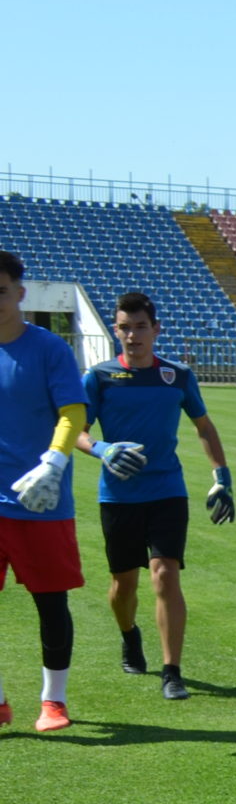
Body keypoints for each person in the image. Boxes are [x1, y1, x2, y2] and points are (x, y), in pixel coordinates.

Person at [79, 291, 235, 700]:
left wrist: (222, 477)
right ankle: (129, 634)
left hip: (167, 491)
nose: (133, 336)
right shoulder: (99, 377)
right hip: (118, 496)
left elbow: (204, 426)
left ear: (156, 330)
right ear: (116, 331)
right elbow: (77, 430)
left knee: (165, 575)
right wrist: (103, 449)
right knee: (123, 585)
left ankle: (172, 671)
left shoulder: (177, 375)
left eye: (141, 327)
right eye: (125, 328)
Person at [0, 249, 92, 732]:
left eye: (0, 291)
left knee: (51, 602)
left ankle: (53, 701)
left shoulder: (49, 349)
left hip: (40, 502)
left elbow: (72, 411)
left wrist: (53, 461)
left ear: (20, 293)